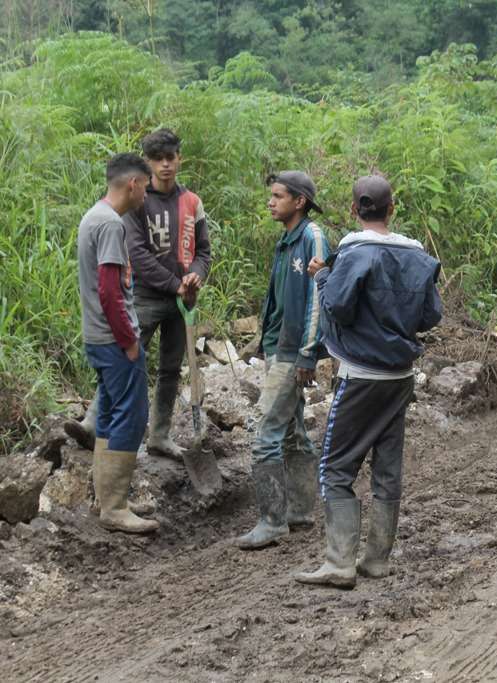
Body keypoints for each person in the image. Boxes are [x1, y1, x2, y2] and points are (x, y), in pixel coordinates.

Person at [295, 175, 442, 588]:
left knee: (335, 468)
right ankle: (376, 559)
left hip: (360, 375)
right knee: (387, 467)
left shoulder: (352, 250)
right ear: (392, 209)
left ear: (354, 211)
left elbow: (338, 308)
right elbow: (431, 316)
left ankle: (339, 562)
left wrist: (322, 277)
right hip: (400, 376)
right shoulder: (417, 254)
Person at [65, 129, 211, 459]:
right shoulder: (137, 200)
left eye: (170, 158)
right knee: (126, 358)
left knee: (171, 368)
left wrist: (194, 278)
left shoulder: (192, 202)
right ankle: (92, 422)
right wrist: (174, 284)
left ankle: (159, 435)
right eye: (157, 159)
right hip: (144, 297)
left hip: (182, 299)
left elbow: (203, 251)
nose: (165, 165)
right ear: (146, 164)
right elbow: (138, 254)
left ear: (179, 158)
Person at [236, 171, 329, 550]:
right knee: (291, 431)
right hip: (279, 348)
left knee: (263, 434)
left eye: (278, 196)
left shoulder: (312, 237)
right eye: (271, 195)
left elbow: (317, 300)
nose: (271, 202)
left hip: (293, 352)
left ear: (299, 201)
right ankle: (301, 511)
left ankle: (272, 521)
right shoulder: (286, 241)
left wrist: (308, 352)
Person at [77, 153, 160, 533]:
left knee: (109, 412)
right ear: (133, 184)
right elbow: (110, 292)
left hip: (96, 336)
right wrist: (128, 340)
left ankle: (108, 499)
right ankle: (114, 507)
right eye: (146, 184)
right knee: (131, 413)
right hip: (113, 339)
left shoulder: (93, 216)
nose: (148, 191)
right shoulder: (110, 225)